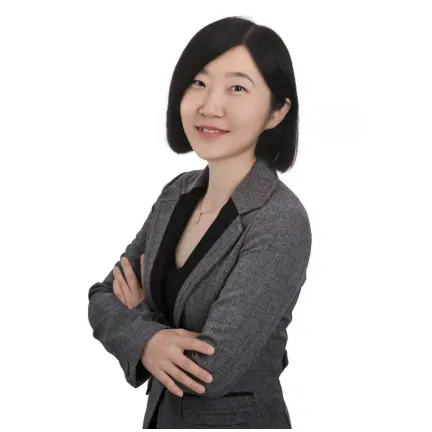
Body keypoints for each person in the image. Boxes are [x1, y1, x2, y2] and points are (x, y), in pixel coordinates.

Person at [88, 15, 312, 429]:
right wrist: (150, 339)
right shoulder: (177, 193)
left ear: (277, 111)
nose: (210, 106)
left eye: (237, 88)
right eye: (198, 82)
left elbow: (211, 369)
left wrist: (141, 325)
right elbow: (101, 297)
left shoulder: (280, 220)